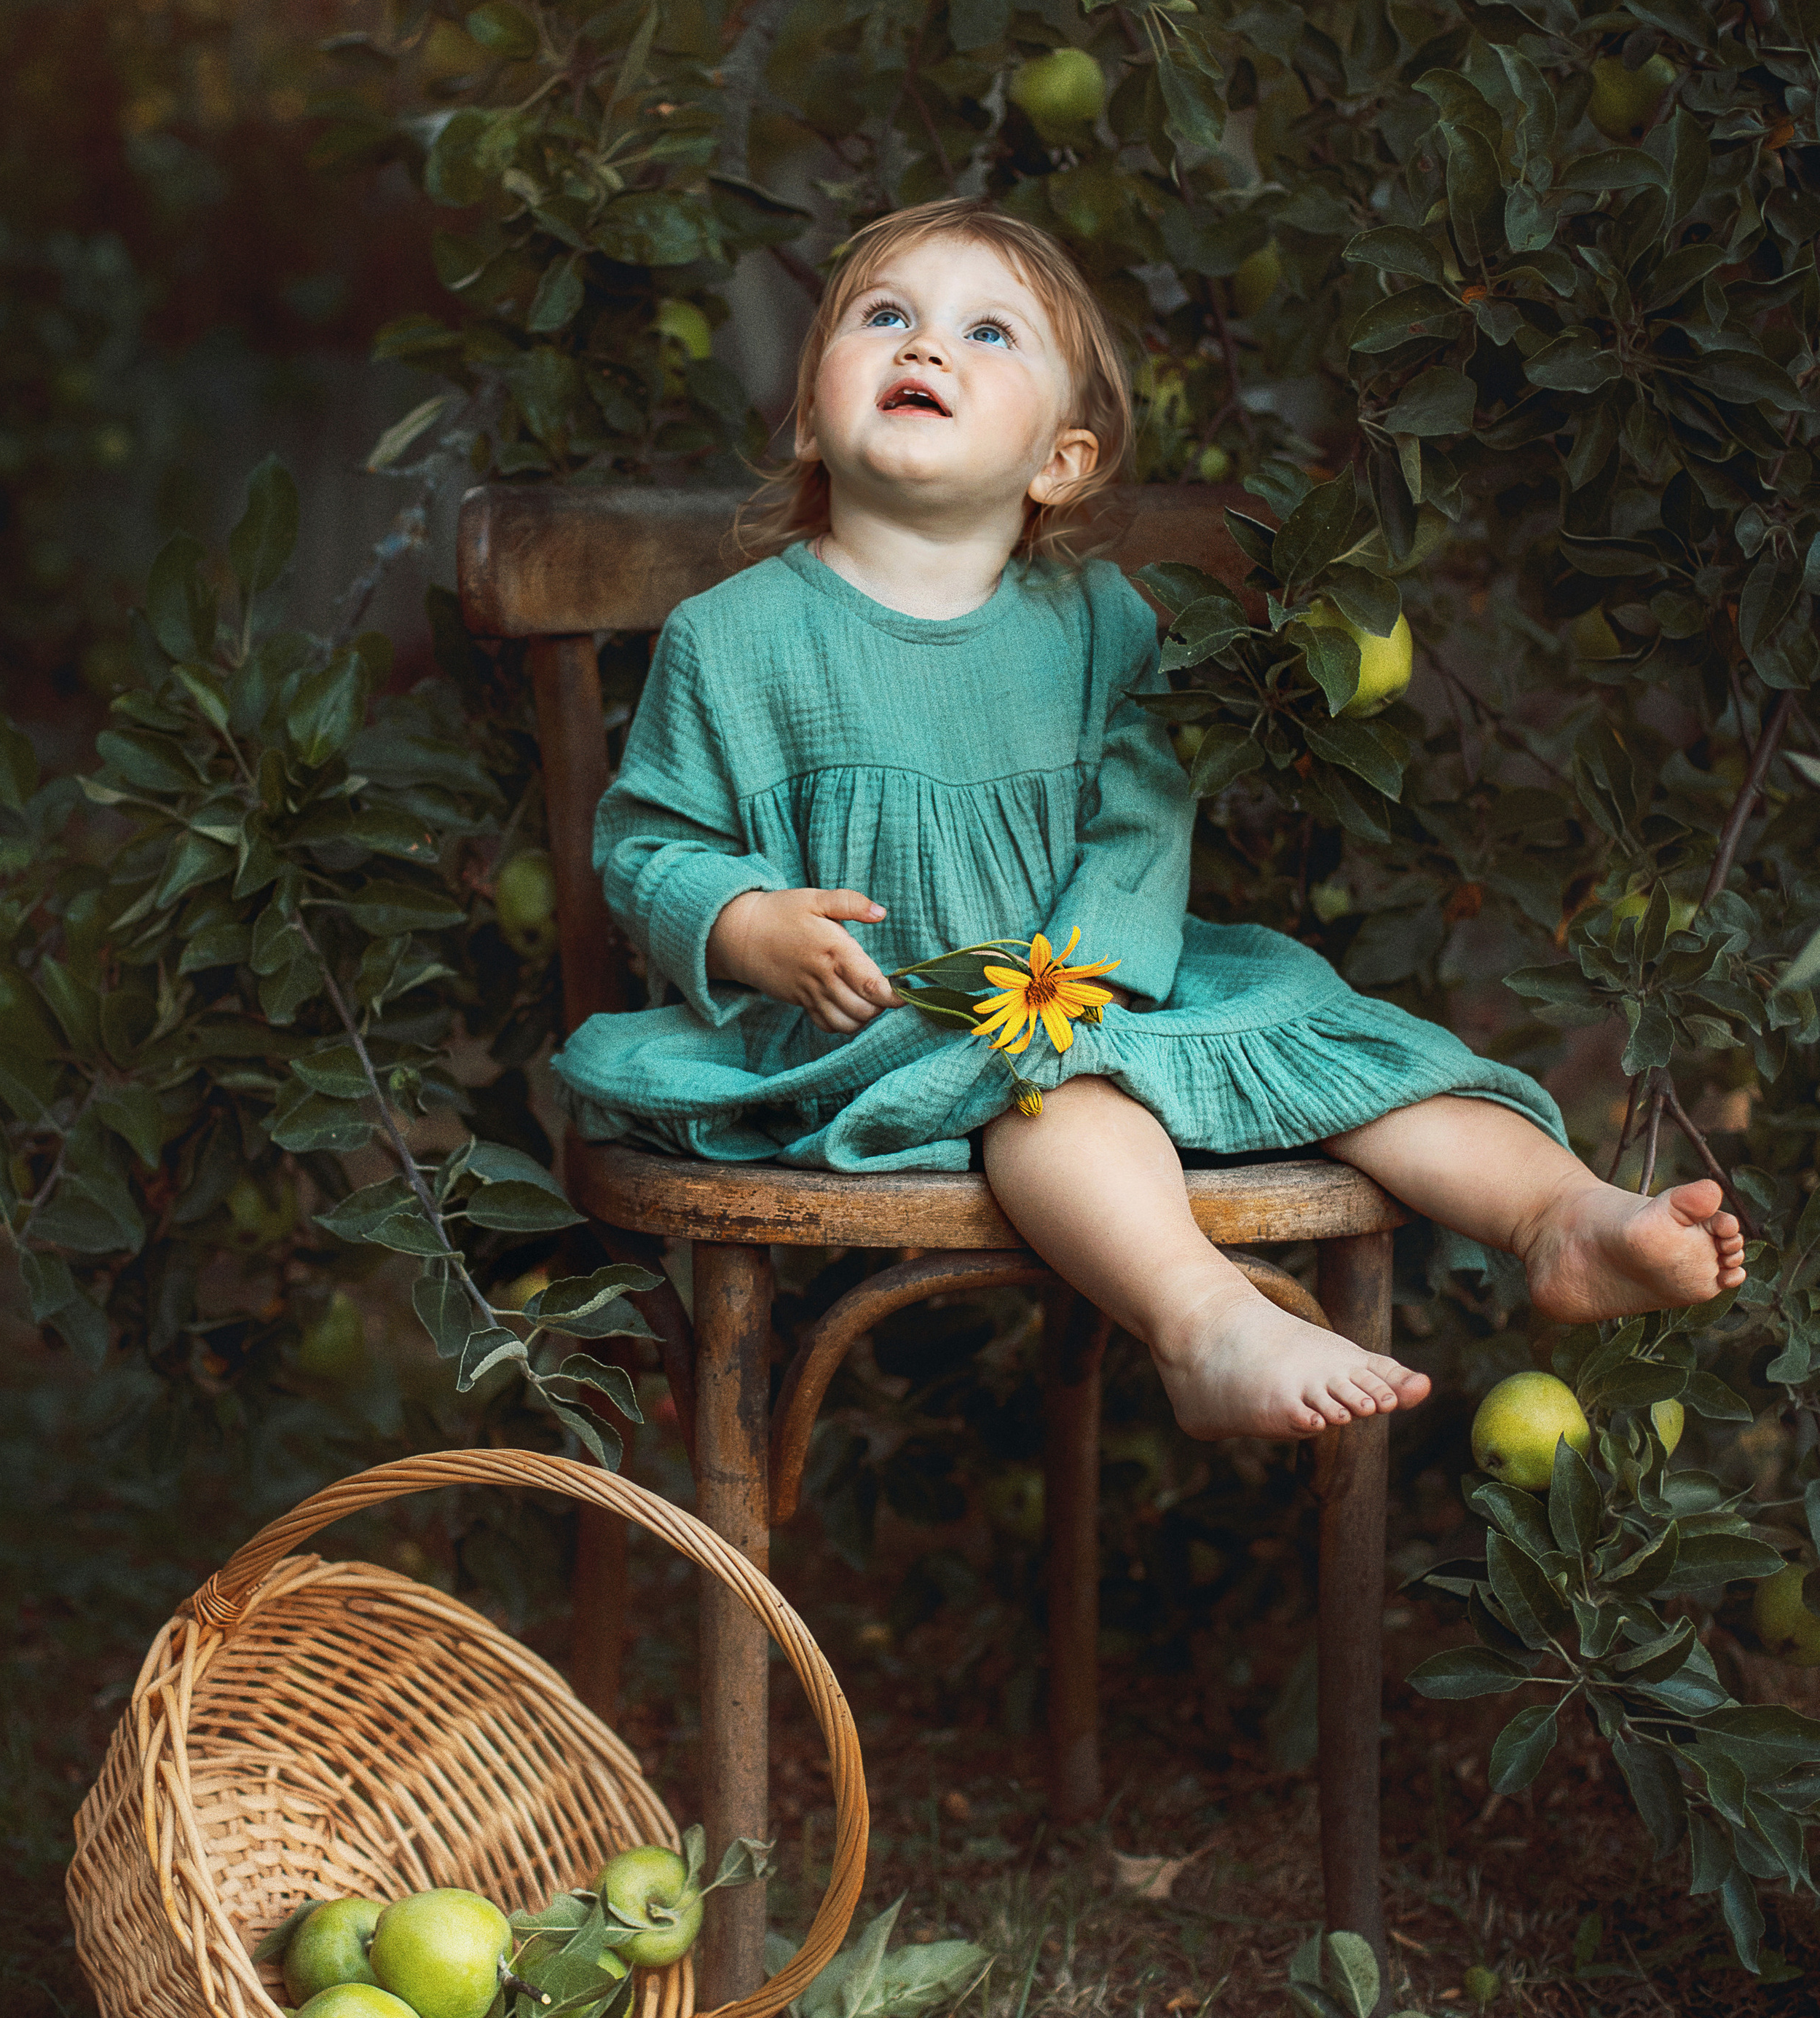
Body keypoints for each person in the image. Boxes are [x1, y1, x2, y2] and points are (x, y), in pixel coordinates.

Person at [554, 202, 1744, 1440]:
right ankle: (1205, 1324)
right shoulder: (733, 639)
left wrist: (1094, 979)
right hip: (875, 1035)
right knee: (1060, 1104)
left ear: (1058, 463)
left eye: (987, 331)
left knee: (1333, 1047)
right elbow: (648, 845)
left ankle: (1560, 1217)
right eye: (886, 316)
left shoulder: (1097, 622)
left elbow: (1139, 820)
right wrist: (747, 924)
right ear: (808, 416)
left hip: (1094, 987)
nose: (926, 349)